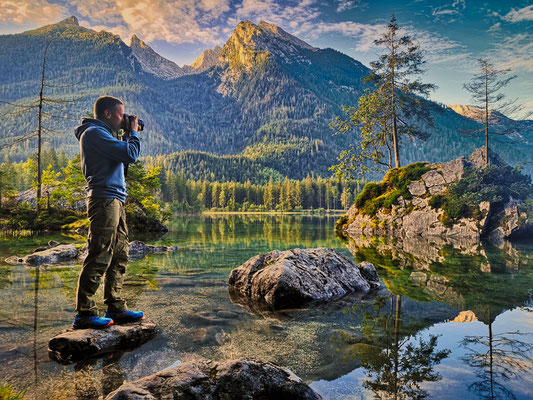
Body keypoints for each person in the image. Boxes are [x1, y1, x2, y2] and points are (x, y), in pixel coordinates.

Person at [72, 95, 144, 329]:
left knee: (120, 252)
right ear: (107, 114)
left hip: (115, 198)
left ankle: (115, 305)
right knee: (100, 252)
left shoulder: (103, 134)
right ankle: (84, 313)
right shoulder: (93, 133)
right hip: (104, 199)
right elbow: (130, 154)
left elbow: (122, 162)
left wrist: (126, 134)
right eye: (121, 115)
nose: (124, 119)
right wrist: (132, 134)